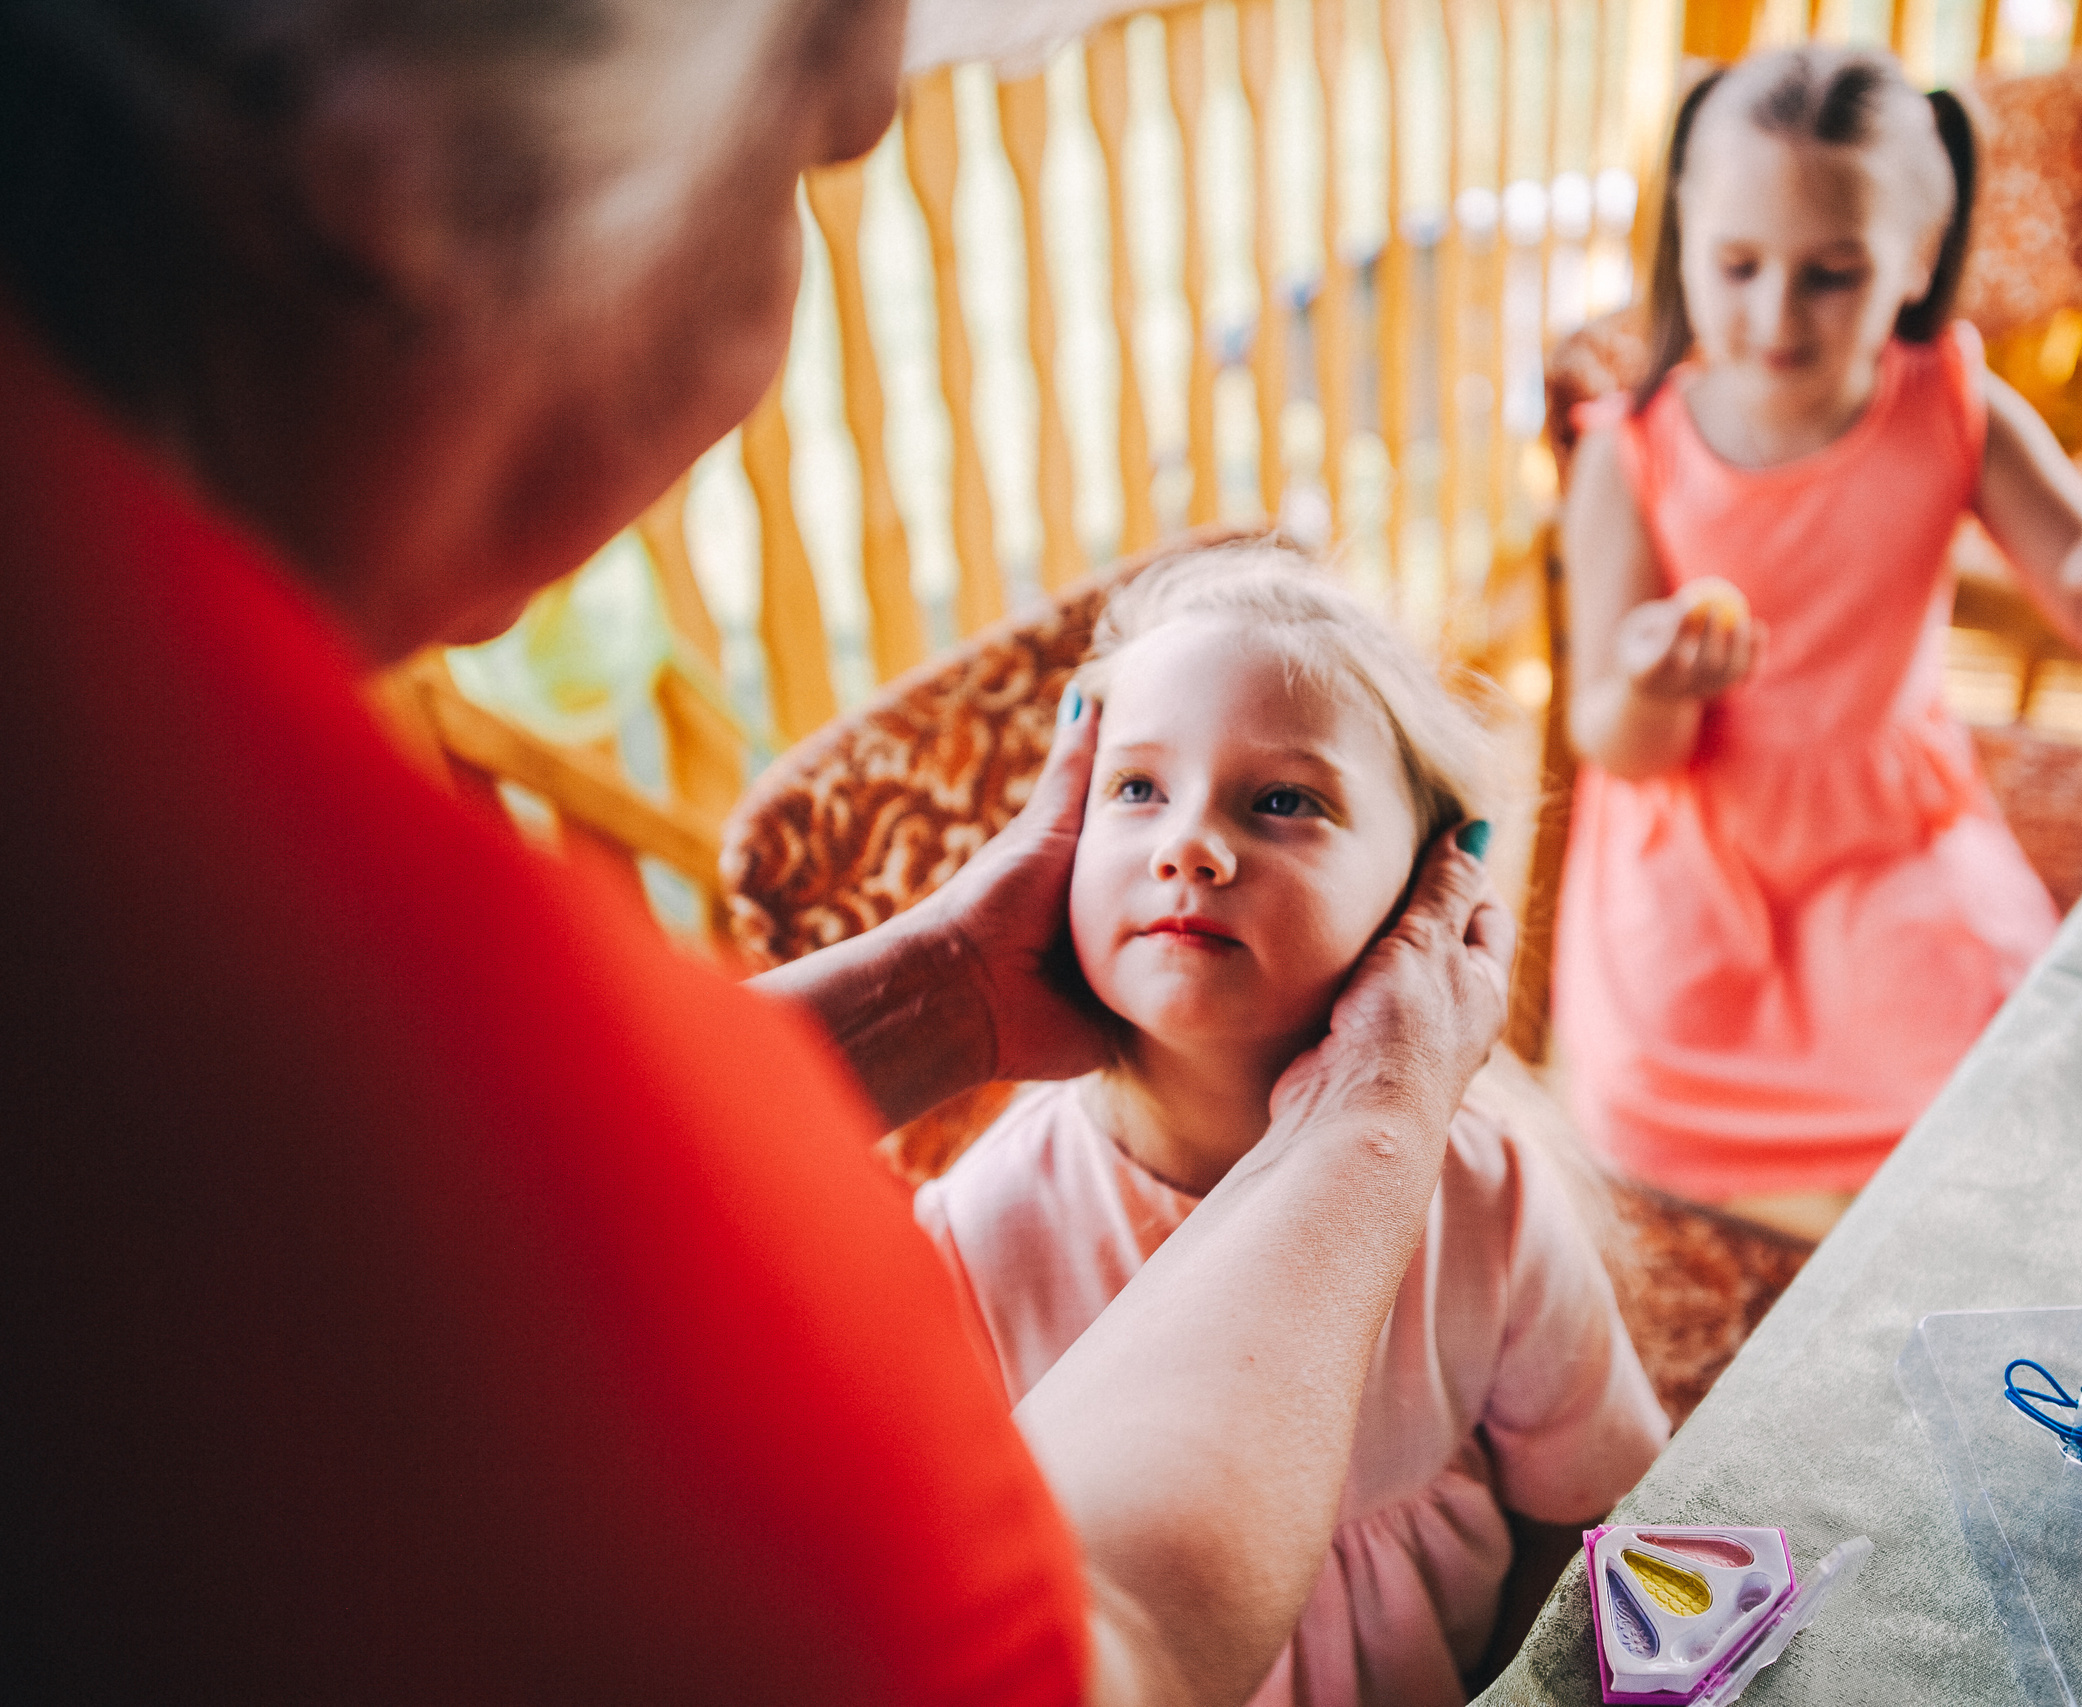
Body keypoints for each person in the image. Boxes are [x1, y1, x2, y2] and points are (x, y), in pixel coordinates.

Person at [0, 4, 1514, 1703]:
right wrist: (1377, 1118)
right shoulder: (301, 1012)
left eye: (1283, 800)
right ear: (396, 177)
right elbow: (1112, 1646)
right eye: (812, 142)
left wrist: (935, 996)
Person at [914, 549, 1668, 1705]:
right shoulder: (982, 1231)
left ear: (1432, 887)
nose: (1191, 847)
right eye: (1136, 790)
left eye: (1283, 801)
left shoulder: (1486, 1189)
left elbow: (1578, 1520)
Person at [1551, 47, 2082, 1238]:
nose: (1773, 313)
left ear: (1913, 260)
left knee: (1996, 1081)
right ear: (1685, 233)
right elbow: (1616, 741)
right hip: (1696, 850)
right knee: (1657, 1101)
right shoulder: (1631, 453)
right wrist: (1655, 687)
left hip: (1893, 835)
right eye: (1738, 265)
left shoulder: (1953, 408)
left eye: (1831, 274)